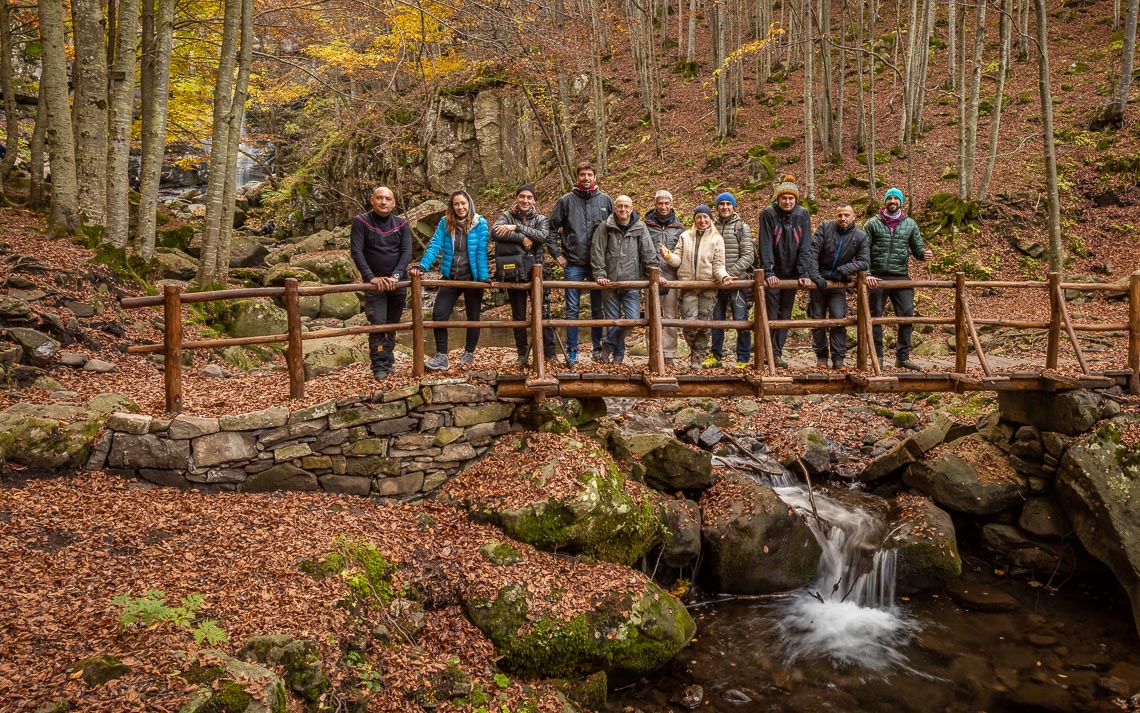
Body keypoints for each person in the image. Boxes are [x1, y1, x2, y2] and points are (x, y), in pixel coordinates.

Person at [409, 189, 490, 371]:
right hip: (450, 277)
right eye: (456, 204)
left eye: (463, 203)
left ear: (469, 204)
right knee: (439, 314)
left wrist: (484, 277)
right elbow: (435, 245)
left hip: (472, 278)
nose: (460, 207)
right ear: (451, 206)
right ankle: (442, 356)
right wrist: (422, 266)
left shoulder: (480, 223)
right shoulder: (445, 223)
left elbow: (481, 252)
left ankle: (468, 353)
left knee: (473, 317)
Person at [548, 161, 614, 366]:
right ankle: (573, 350)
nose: (586, 178)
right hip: (573, 263)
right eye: (582, 175)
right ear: (577, 177)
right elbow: (550, 230)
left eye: (589, 175)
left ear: (595, 177)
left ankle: (596, 348)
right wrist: (557, 254)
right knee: (572, 309)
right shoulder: (566, 201)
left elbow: (615, 230)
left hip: (598, 264)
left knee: (598, 309)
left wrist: (610, 258)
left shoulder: (605, 200)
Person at [864, 187, 933, 371]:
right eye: (890, 198)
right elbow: (863, 251)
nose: (893, 201)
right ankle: (877, 357)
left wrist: (924, 254)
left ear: (901, 202)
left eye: (896, 198)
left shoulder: (910, 224)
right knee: (875, 316)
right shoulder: (872, 223)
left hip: (901, 275)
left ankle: (903, 357)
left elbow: (917, 247)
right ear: (884, 201)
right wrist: (868, 274)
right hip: (877, 276)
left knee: (907, 314)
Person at [349, 186, 412, 381]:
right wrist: (370, 277)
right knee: (378, 323)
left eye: (387, 199)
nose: (383, 202)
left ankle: (388, 360)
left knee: (392, 324)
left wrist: (396, 276)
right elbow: (357, 251)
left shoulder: (402, 224)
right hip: (374, 284)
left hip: (397, 283)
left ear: (393, 203)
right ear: (372, 200)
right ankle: (379, 366)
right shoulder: (361, 222)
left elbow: (406, 252)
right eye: (379, 198)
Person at [492, 184, 555, 370]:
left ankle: (550, 353)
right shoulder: (505, 215)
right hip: (513, 272)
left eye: (529, 197)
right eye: (522, 197)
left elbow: (543, 236)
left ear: (534, 200)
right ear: (517, 197)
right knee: (518, 315)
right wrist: (521, 237)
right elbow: (494, 232)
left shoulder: (541, 218)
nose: (525, 200)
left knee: (544, 313)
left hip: (537, 271)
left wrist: (516, 227)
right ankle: (521, 353)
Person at [664, 205, 733, 369]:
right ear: (695, 219)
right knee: (689, 325)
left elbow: (718, 266)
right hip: (688, 286)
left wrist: (724, 277)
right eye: (699, 217)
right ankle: (695, 350)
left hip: (708, 287)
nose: (702, 220)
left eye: (705, 217)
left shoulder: (717, 239)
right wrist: (667, 255)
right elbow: (677, 260)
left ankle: (698, 357)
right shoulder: (685, 237)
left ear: (710, 219)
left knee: (704, 325)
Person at [591, 195, 658, 364]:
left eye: (626, 206)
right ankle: (618, 357)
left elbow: (649, 253)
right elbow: (597, 251)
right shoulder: (605, 226)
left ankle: (606, 345)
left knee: (632, 319)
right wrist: (600, 274)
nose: (623, 209)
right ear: (615, 208)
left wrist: (653, 274)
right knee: (613, 321)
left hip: (632, 282)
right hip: (610, 282)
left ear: (632, 208)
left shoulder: (640, 227)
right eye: (620, 206)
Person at [805, 203, 869, 372]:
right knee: (817, 319)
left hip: (839, 281)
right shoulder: (825, 228)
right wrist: (815, 275)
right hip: (819, 281)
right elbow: (812, 252)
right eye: (840, 215)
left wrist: (843, 270)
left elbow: (864, 261)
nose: (843, 218)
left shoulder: (860, 236)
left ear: (854, 216)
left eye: (846, 215)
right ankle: (821, 356)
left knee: (838, 319)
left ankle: (839, 358)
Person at [758, 175, 813, 368]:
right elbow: (765, 243)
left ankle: (777, 352)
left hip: (792, 273)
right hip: (774, 272)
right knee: (771, 312)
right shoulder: (768, 214)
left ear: (796, 199)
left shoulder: (802, 214)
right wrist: (769, 271)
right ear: (778, 199)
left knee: (785, 313)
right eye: (784, 198)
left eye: (791, 198)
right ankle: (766, 352)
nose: (787, 201)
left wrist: (804, 272)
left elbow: (806, 244)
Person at [709, 192, 756, 369]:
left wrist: (728, 274)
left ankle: (743, 358)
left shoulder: (742, 227)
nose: (725, 207)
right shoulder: (710, 226)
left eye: (729, 204)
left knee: (741, 320)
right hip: (716, 282)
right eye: (722, 204)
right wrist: (717, 275)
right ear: (717, 207)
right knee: (716, 320)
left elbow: (748, 256)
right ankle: (715, 355)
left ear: (734, 207)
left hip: (737, 281)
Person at [644, 190, 685, 367]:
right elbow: (642, 250)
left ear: (671, 204)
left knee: (669, 316)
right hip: (650, 277)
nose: (663, 206)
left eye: (666, 203)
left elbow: (682, 253)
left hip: (670, 277)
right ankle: (653, 352)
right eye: (660, 203)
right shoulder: (645, 225)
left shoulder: (679, 228)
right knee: (651, 315)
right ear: (655, 204)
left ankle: (668, 354)